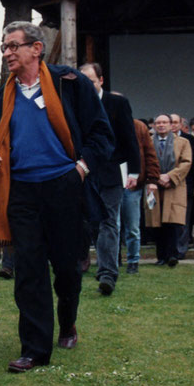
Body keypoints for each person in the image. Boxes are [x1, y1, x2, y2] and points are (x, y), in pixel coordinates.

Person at [0, 21, 113, 373]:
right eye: (4, 47)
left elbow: (102, 134)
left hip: (64, 186)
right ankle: (35, 349)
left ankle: (67, 321)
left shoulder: (70, 83)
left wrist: (81, 169)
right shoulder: (4, 94)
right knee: (28, 271)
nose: (7, 53)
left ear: (36, 49)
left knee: (68, 269)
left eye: (13, 46)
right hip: (21, 191)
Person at [80, 63, 139, 296]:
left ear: (101, 81)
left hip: (111, 173)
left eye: (91, 81)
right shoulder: (75, 105)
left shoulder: (117, 103)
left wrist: (134, 172)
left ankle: (107, 274)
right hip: (84, 173)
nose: (88, 86)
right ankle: (103, 266)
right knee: (93, 223)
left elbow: (129, 138)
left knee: (109, 222)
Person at [146, 115, 192, 266]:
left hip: (174, 186)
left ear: (170, 125)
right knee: (157, 222)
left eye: (164, 122)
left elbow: (186, 162)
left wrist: (170, 177)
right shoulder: (148, 141)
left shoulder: (183, 142)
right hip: (154, 185)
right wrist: (155, 178)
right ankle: (161, 256)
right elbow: (143, 160)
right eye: (158, 122)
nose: (161, 125)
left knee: (172, 222)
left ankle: (172, 254)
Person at [120, 118, 159, 274]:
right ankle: (112, 260)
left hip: (133, 183)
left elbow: (150, 153)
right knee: (112, 226)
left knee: (132, 226)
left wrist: (152, 179)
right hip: (112, 182)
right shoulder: (103, 122)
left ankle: (133, 260)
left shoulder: (138, 127)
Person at [171, 113, 194, 260]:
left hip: (186, 184)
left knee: (184, 219)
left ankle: (181, 249)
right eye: (170, 122)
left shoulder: (189, 140)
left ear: (180, 124)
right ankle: (169, 247)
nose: (172, 125)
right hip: (165, 185)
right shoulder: (157, 140)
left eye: (175, 122)